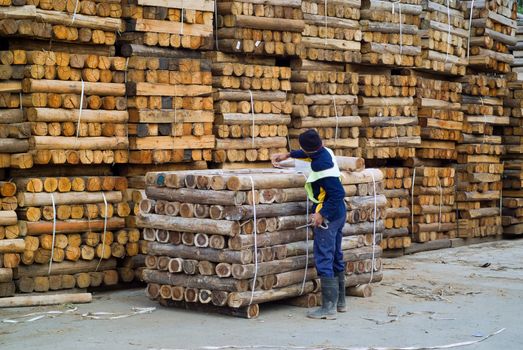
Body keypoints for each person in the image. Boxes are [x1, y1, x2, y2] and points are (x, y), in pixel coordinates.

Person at [271, 129, 347, 320]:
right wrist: (287, 154)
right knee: (336, 254)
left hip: (329, 214)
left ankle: (328, 308)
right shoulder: (325, 151)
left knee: (324, 257)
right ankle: (340, 302)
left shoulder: (322, 166)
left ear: (309, 149)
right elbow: (306, 153)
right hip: (339, 213)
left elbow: (338, 194)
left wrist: (321, 214)